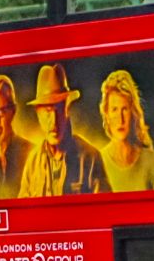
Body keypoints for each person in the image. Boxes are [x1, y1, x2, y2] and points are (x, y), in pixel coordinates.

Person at [17, 64, 109, 197]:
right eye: (48, 112)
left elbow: (106, 212)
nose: (54, 121)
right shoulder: (33, 164)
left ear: (67, 109)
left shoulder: (90, 159)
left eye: (59, 110)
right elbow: (21, 214)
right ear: (38, 114)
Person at [98, 69, 154, 192]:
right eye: (114, 109)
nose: (120, 118)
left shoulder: (151, 161)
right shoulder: (97, 162)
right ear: (106, 115)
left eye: (125, 109)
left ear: (133, 113)